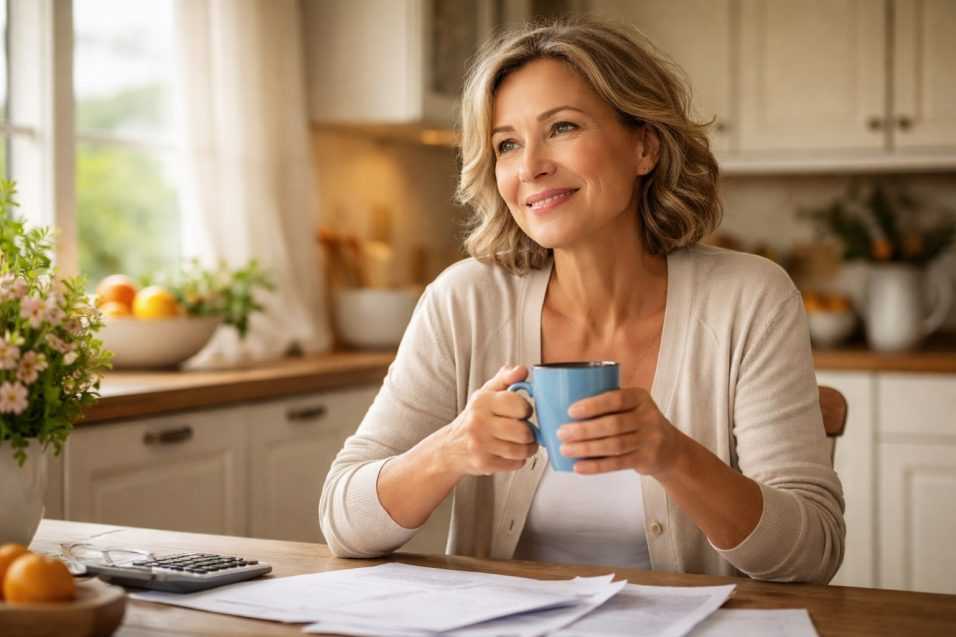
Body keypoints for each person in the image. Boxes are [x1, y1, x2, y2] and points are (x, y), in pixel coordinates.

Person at [319, 17, 845, 583]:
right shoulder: (463, 300)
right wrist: (450, 450)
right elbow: (343, 524)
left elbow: (812, 553)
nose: (530, 166)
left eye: (563, 127)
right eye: (507, 144)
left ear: (644, 145)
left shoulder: (750, 299)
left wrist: (672, 455)